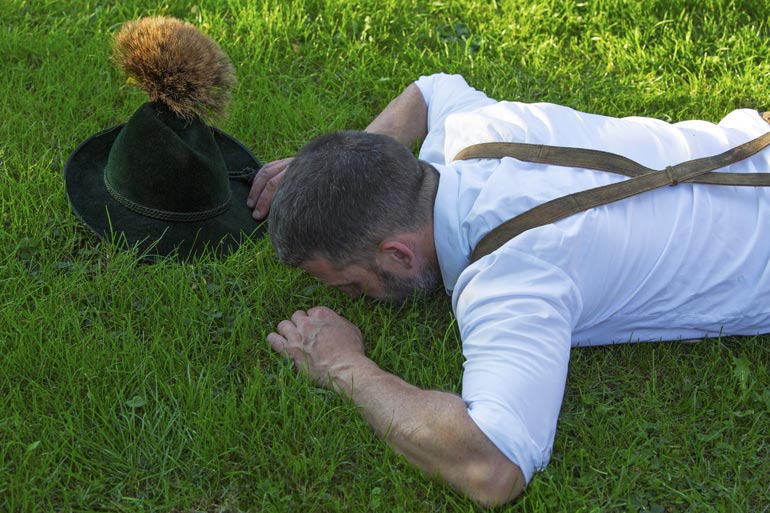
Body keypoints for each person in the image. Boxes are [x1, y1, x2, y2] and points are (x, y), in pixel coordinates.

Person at [246, 73, 770, 505]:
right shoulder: (474, 127)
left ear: (398, 255)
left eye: (353, 285)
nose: (349, 299)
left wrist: (342, 365)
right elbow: (430, 90)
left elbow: (493, 466)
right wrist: (332, 175)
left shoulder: (511, 280)